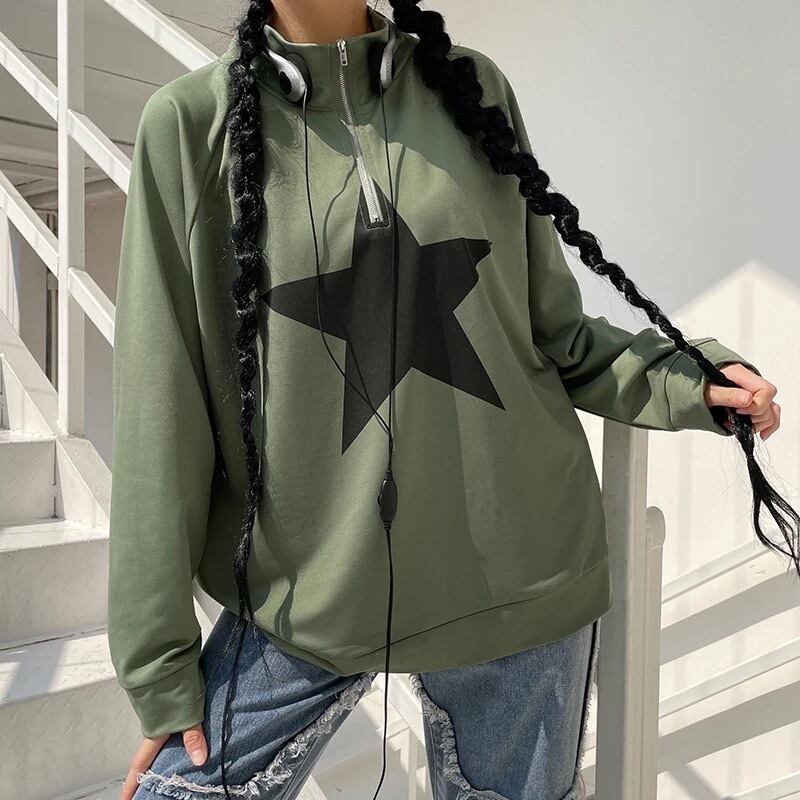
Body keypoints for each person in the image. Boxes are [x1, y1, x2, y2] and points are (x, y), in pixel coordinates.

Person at [108, 2, 788, 799]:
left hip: (518, 580)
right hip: (302, 593)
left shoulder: (471, 89)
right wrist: (160, 666)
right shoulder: (189, 126)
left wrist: (690, 378)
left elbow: (556, 335)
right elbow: (160, 408)